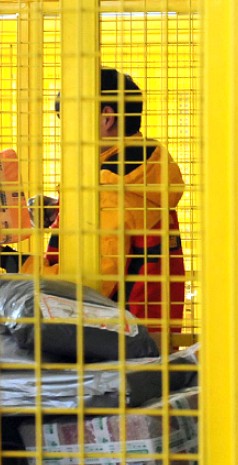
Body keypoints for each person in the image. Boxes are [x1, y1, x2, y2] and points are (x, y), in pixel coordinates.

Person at [21, 67, 186, 335]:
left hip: (114, 347)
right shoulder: (139, 171)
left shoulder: (113, 186)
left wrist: (16, 264)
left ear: (106, 117)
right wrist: (62, 212)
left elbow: (84, 287)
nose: (64, 133)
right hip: (146, 338)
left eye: (68, 120)